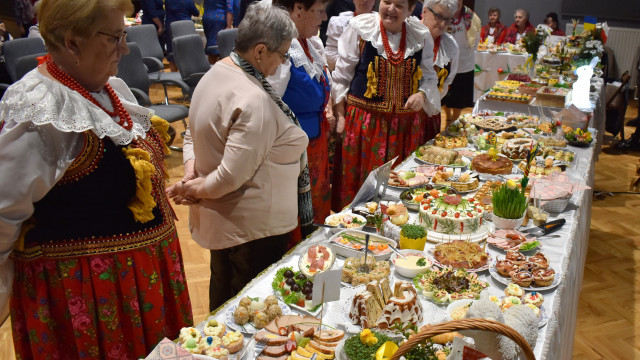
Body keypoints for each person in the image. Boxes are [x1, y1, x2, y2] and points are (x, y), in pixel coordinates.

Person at [0, 0, 193, 358]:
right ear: (72, 42)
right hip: (91, 298)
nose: (125, 48)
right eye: (115, 37)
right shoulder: (41, 111)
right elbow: (3, 213)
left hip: (143, 282)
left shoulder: (108, 88)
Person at [166, 0, 307, 311]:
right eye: (282, 55)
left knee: (224, 294)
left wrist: (190, 172)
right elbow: (231, 175)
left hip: (229, 220)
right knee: (248, 307)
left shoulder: (216, 72)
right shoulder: (252, 97)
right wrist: (192, 187)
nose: (282, 63)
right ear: (259, 51)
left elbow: (192, 133)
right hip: (251, 226)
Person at [331, 0, 441, 210]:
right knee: (361, 189)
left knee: (399, 188)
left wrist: (421, 94)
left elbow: (429, 76)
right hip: (365, 125)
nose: (390, 9)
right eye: (386, 1)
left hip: (404, 128)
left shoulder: (420, 35)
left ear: (410, 10)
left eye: (399, 5)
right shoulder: (361, 29)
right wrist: (341, 116)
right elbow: (342, 76)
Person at [268, 0, 333, 231]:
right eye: (319, 11)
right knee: (296, 213)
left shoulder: (309, 43)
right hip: (293, 152)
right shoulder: (280, 49)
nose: (324, 17)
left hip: (314, 145)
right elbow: (266, 104)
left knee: (315, 208)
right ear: (298, 9)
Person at [421, 0, 459, 133]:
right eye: (439, 17)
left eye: (447, 20)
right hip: (403, 115)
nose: (443, 24)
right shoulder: (410, 35)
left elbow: (448, 80)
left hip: (431, 114)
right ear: (425, 11)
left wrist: (431, 101)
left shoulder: (450, 45)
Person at [441, 0, 480, 124]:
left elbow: (476, 37)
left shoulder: (471, 17)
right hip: (446, 60)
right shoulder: (444, 14)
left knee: (459, 95)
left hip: (465, 62)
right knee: (445, 92)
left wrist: (467, 51)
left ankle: (455, 119)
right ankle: (447, 116)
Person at [325, 0, 376, 70]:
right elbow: (330, 55)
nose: (364, 0)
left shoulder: (381, 23)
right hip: (342, 74)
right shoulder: (338, 22)